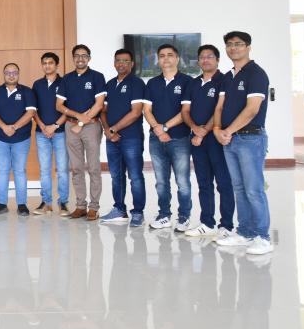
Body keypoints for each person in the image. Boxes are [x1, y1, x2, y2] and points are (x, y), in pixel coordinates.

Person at [212, 31, 273, 255]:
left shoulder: (256, 74)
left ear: (248, 47)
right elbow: (219, 106)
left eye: (238, 44)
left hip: (250, 138)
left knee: (254, 189)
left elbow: (252, 109)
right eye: (229, 44)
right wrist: (217, 130)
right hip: (230, 140)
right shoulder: (227, 77)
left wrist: (227, 131)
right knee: (238, 188)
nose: (233, 48)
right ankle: (245, 232)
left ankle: (263, 237)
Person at [181, 44, 235, 239]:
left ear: (218, 60)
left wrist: (203, 132)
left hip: (217, 140)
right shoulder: (193, 83)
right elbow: (185, 111)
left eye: (210, 56)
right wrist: (195, 129)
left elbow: (220, 109)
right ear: (198, 61)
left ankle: (226, 226)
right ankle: (207, 223)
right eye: (202, 57)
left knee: (223, 183)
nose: (205, 60)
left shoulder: (225, 80)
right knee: (204, 183)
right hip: (197, 140)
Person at [143, 44, 193, 231]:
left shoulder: (187, 81)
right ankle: (164, 215)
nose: (166, 58)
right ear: (158, 60)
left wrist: (164, 128)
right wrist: (158, 130)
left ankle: (184, 217)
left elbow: (185, 112)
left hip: (180, 139)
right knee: (161, 182)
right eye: (162, 55)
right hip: (156, 140)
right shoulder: (152, 83)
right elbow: (146, 110)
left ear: (177, 58)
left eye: (170, 55)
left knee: (182, 181)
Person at [55, 44, 107, 220]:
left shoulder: (97, 77)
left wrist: (81, 123)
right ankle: (80, 206)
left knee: (93, 168)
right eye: (77, 55)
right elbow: (59, 105)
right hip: (71, 127)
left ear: (89, 58)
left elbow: (99, 104)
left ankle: (94, 207)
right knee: (76, 168)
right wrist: (78, 118)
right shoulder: (67, 79)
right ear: (73, 58)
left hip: (91, 126)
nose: (80, 58)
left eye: (84, 55)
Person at [99, 49, 146, 227]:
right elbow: (103, 111)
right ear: (114, 63)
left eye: (125, 61)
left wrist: (114, 129)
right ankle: (119, 210)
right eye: (118, 60)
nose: (121, 64)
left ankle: (138, 212)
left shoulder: (137, 83)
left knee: (135, 176)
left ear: (132, 64)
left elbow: (136, 112)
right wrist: (107, 130)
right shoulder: (110, 84)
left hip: (131, 138)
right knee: (116, 176)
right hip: (112, 140)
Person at [0, 63, 37, 215]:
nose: (11, 75)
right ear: (4, 74)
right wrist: (4, 127)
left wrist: (14, 127)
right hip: (0, 138)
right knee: (2, 171)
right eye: (8, 72)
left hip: (21, 138)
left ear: (18, 74)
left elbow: (30, 113)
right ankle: (1, 204)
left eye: (14, 72)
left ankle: (22, 205)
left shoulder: (27, 92)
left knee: (20, 171)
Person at [31, 52, 68, 216]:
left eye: (50, 63)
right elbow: (33, 109)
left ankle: (63, 203)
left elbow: (68, 109)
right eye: (44, 63)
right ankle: (46, 203)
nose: (47, 66)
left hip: (60, 132)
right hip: (41, 133)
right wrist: (42, 126)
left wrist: (54, 126)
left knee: (62, 170)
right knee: (45, 170)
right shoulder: (37, 84)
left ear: (57, 65)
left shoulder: (65, 83)